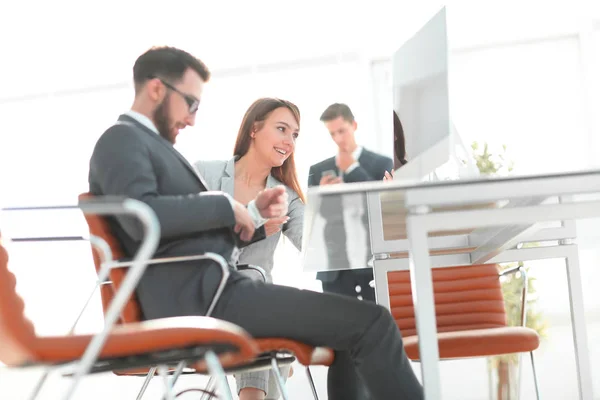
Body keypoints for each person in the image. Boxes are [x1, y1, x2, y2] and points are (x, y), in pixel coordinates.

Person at [88, 46, 423, 400]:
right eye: (191, 103)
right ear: (157, 89)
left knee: (358, 325)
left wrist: (252, 221)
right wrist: (227, 207)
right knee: (374, 323)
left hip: (214, 291)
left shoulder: (154, 149)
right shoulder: (122, 140)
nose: (192, 119)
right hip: (205, 299)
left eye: (295, 135)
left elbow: (180, 233)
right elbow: (143, 219)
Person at [195, 97, 304, 400]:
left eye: (295, 134)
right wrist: (254, 230)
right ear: (254, 129)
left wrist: (339, 210)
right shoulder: (206, 174)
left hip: (253, 303)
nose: (289, 141)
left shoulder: (287, 197)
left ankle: (255, 389)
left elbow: (314, 244)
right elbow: (190, 240)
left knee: (264, 299)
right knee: (260, 297)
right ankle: (267, 373)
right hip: (206, 294)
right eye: (282, 129)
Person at [307, 103, 393, 302]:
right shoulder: (318, 170)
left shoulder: (382, 163)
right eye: (332, 134)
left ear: (354, 125)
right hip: (334, 268)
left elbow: (382, 207)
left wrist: (353, 169)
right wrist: (321, 196)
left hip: (370, 262)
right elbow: (310, 221)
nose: (338, 139)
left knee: (376, 318)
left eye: (341, 131)